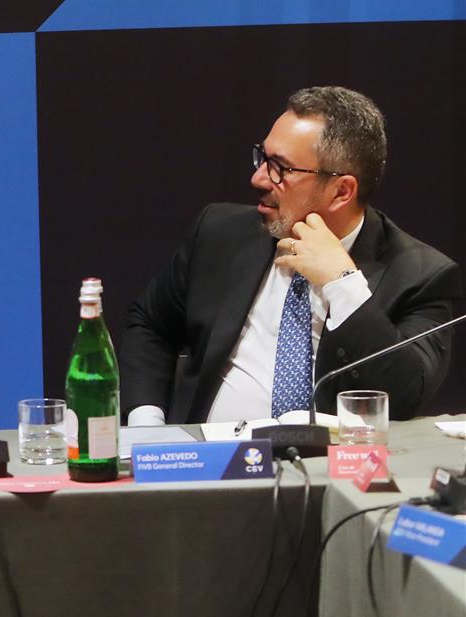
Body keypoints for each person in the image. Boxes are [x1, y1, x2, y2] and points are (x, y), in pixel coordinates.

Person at [122, 86, 462, 425]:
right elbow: (150, 324)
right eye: (263, 158)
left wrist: (343, 284)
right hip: (210, 452)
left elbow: (403, 397)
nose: (258, 178)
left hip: (330, 457)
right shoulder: (219, 232)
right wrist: (146, 424)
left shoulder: (421, 277)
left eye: (280, 168)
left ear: (341, 191)